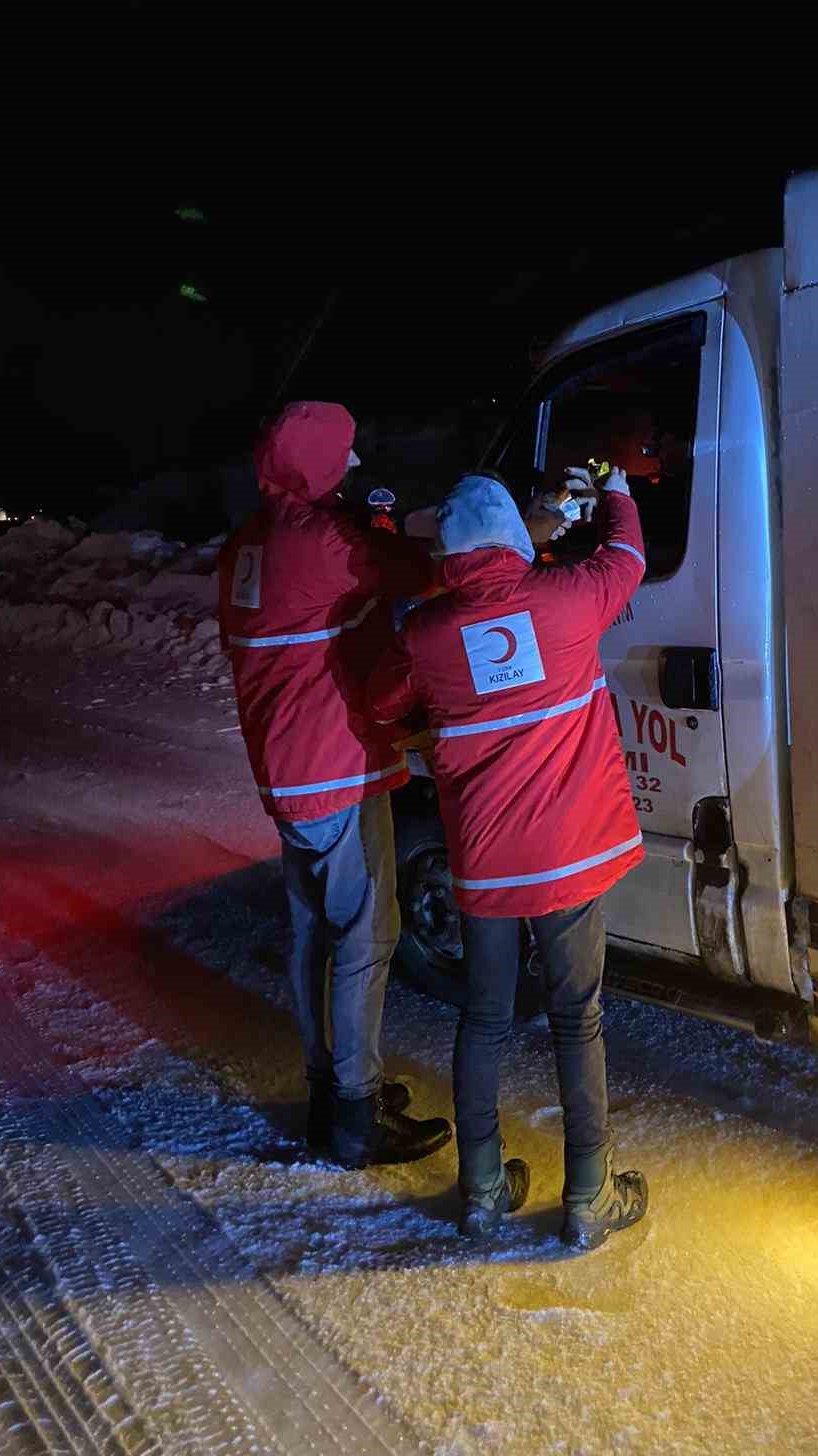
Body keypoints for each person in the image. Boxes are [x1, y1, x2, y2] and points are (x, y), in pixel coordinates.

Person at [367, 466, 649, 1249]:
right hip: (569, 856)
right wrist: (618, 490)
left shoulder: (427, 634)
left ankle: (483, 1194)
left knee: (485, 1017)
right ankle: (588, 1197)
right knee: (576, 1018)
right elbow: (628, 556)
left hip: (487, 863)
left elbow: (380, 704)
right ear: (514, 538)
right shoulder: (569, 599)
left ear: (450, 551)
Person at [218, 400, 452, 1169]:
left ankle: (330, 1088)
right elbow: (422, 572)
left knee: (314, 933)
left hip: (286, 769)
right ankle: (356, 1114)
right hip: (335, 768)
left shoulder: (250, 542)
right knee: (367, 933)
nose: (353, 466)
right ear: (314, 463)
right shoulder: (322, 542)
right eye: (343, 454)